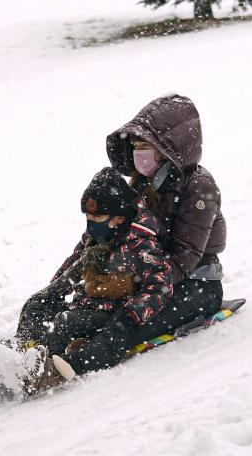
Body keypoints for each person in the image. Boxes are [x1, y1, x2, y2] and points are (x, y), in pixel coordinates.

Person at [0, 166, 173, 394]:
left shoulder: (141, 242)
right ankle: (1, 355)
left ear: (119, 218)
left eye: (98, 216)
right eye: (88, 216)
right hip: (85, 302)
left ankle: (36, 365)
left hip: (112, 311)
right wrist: (49, 293)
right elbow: (72, 264)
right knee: (36, 307)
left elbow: (161, 284)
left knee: (65, 322)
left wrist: (130, 315)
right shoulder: (95, 235)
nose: (92, 222)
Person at [53, 93, 227, 378]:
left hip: (195, 287)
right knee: (87, 312)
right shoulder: (140, 184)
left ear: (169, 148)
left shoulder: (198, 187)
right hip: (148, 279)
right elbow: (108, 235)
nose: (139, 155)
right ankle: (24, 352)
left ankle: (71, 367)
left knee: (128, 321)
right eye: (135, 147)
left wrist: (132, 286)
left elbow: (184, 260)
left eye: (146, 146)